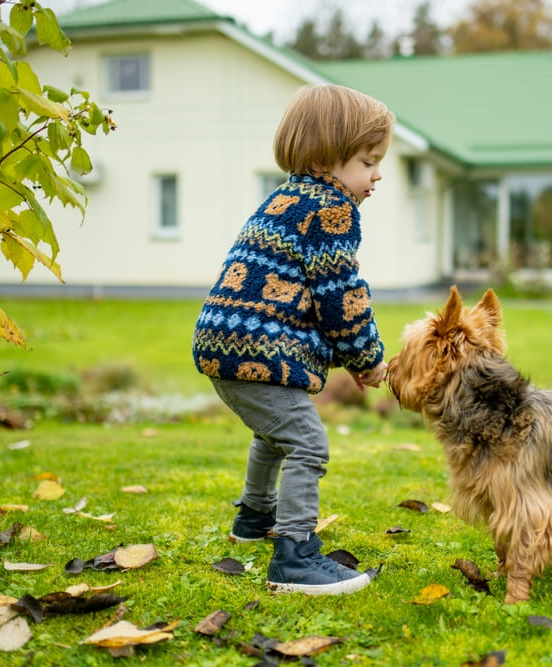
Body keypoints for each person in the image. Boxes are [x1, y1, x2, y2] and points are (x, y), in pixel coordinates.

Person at [192, 84, 393, 596]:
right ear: (328, 158)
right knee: (307, 442)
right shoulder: (332, 209)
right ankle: (296, 556)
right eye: (368, 162)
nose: (377, 175)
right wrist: (367, 358)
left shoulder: (284, 198)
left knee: (275, 432)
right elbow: (340, 294)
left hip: (224, 345)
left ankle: (255, 518)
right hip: (259, 349)